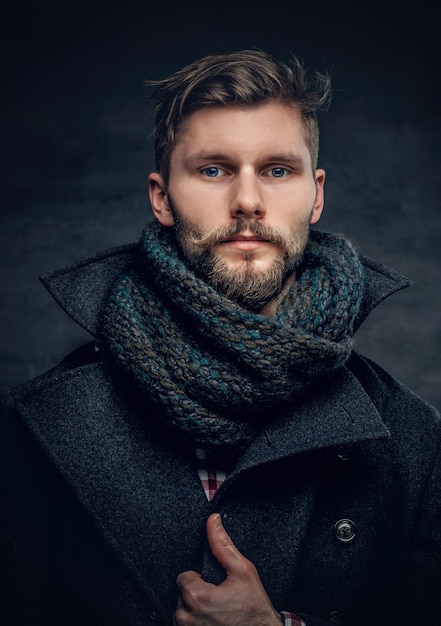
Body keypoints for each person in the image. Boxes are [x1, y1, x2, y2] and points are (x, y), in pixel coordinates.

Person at [1, 49, 440, 626]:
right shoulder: (35, 432)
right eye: (214, 169)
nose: (248, 201)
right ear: (162, 197)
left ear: (317, 193)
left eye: (278, 170)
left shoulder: (413, 445)